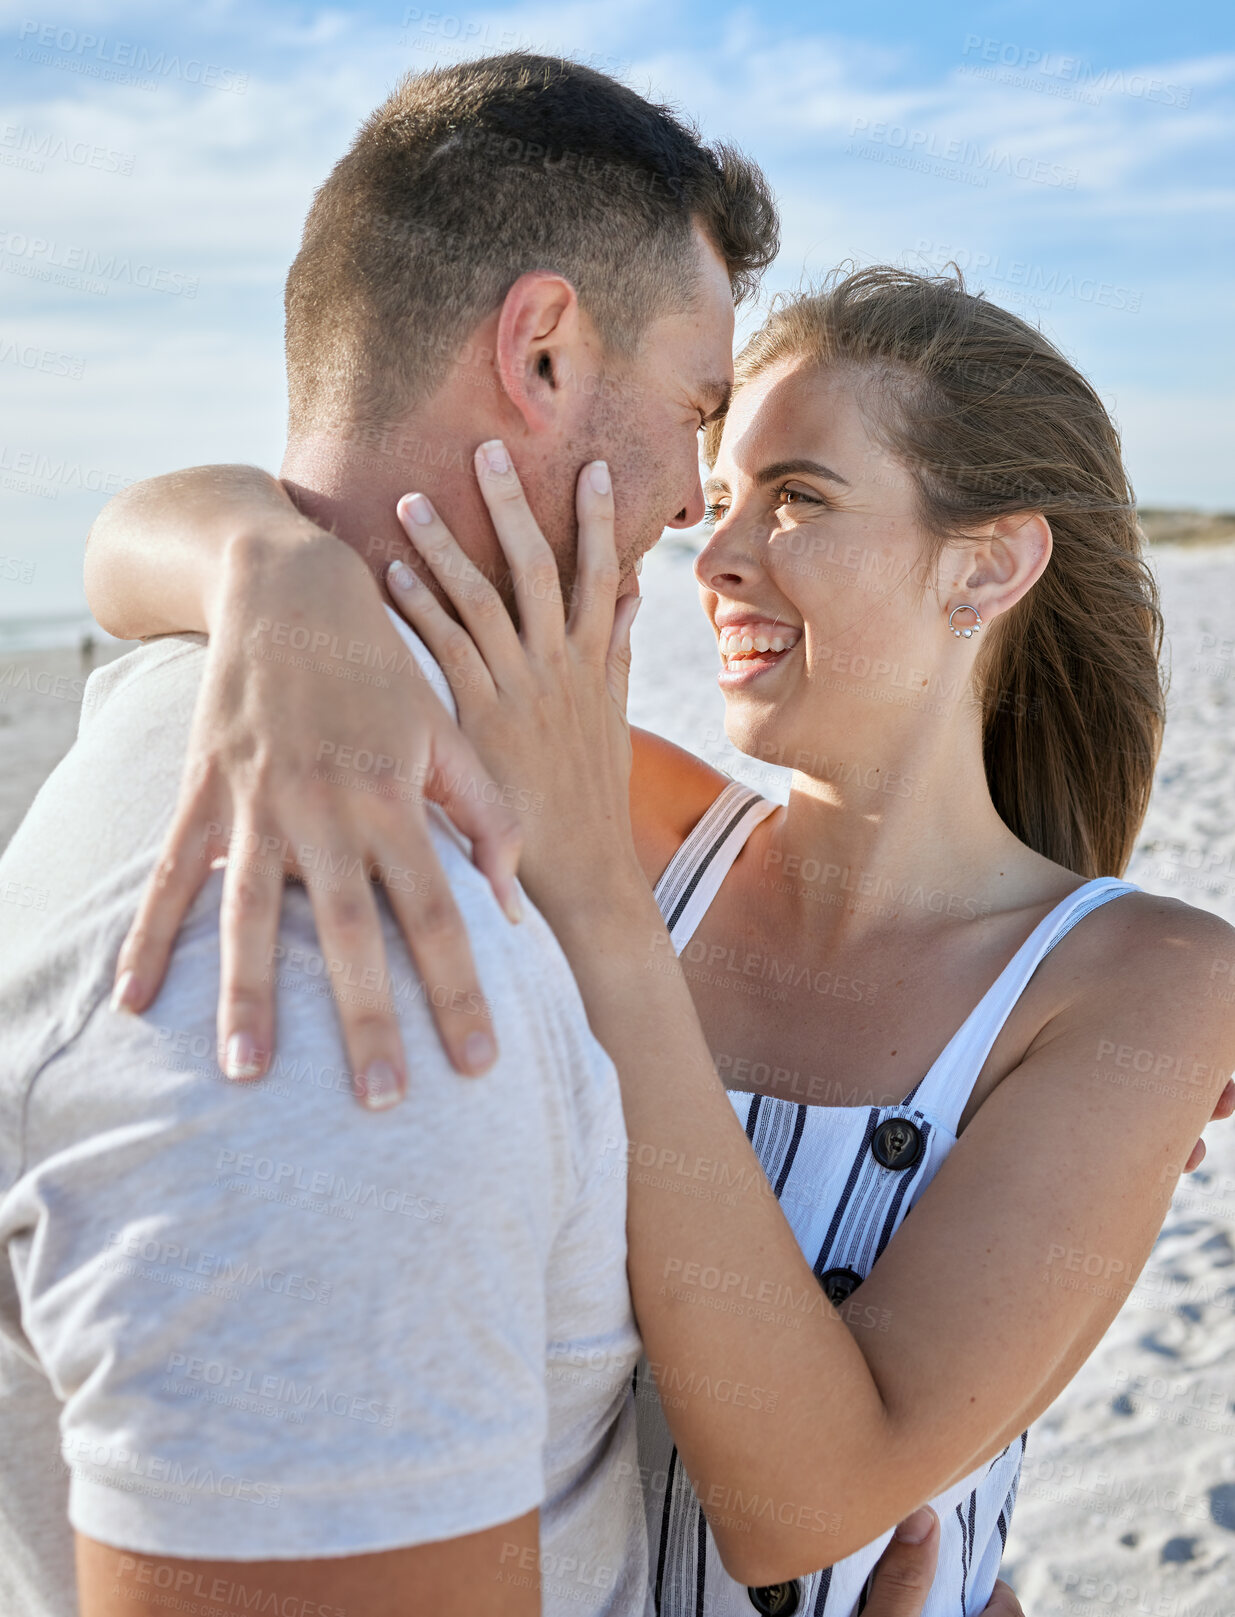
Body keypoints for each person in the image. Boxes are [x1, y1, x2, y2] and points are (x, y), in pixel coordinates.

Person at [83, 253, 1235, 1616]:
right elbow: (133, 545)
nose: (721, 556)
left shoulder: (1141, 983)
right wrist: (273, 568)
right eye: (726, 496)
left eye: (799, 499)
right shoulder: (635, 818)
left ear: (987, 563)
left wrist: (596, 909)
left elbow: (801, 1503)